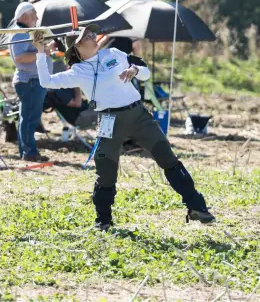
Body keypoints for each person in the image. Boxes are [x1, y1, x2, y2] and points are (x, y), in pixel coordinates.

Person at [33, 24, 216, 230]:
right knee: (106, 173)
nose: (93, 37)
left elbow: (145, 72)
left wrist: (135, 70)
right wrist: (41, 52)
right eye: (86, 36)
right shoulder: (77, 71)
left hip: (139, 116)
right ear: (76, 48)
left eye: (92, 33)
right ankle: (103, 221)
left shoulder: (114, 53)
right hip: (110, 122)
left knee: (169, 160)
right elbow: (45, 81)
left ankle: (197, 206)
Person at [9, 2, 56, 162]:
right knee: (30, 118)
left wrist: (46, 49)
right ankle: (29, 152)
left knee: (28, 117)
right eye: (34, 14)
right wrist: (43, 51)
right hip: (30, 80)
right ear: (24, 16)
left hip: (32, 80)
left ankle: (26, 151)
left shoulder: (25, 32)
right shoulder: (20, 33)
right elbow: (20, 57)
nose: (37, 17)